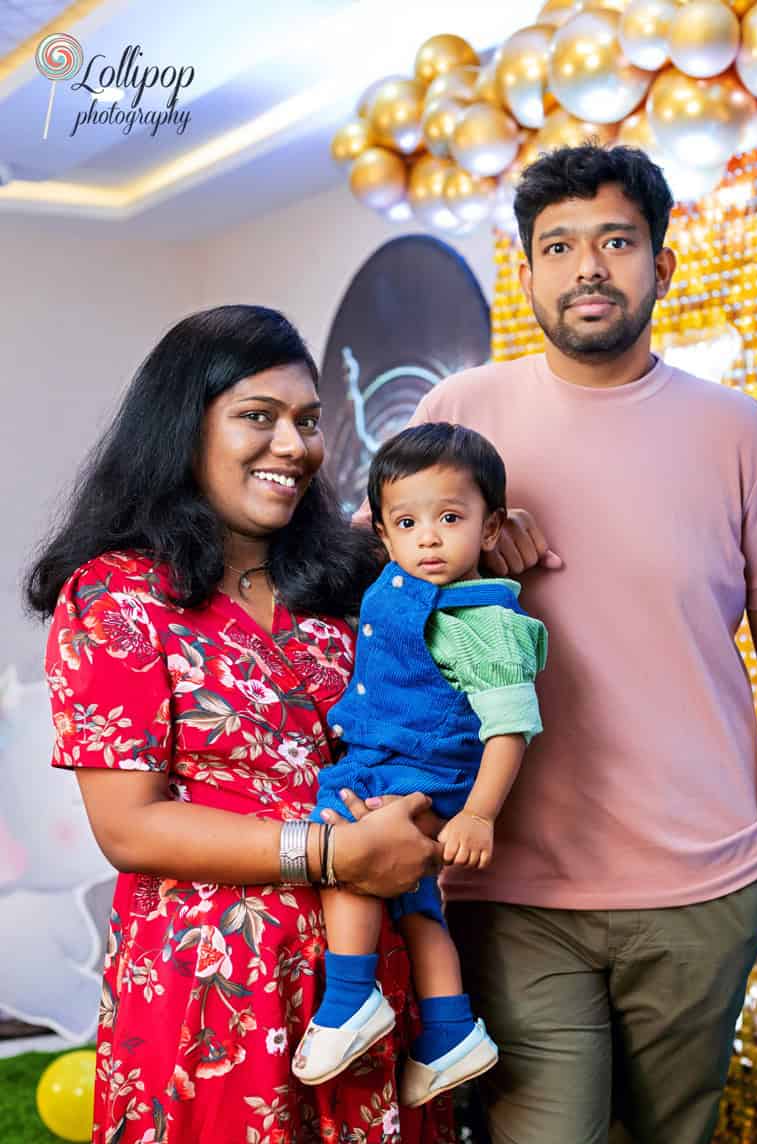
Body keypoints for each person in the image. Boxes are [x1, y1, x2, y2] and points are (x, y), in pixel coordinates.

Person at [352, 145, 757, 1144]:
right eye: (558, 245)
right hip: (506, 879)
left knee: (674, 1133)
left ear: (661, 259)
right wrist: (478, 562)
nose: (588, 267)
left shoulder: (741, 433)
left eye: (616, 240)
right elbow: (370, 608)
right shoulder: (460, 414)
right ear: (526, 269)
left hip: (700, 885)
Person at [25, 305, 455, 1144]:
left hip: (364, 983)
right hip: (208, 996)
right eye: (257, 417)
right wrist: (331, 853)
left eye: (306, 421)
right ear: (184, 429)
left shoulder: (355, 583)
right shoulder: (118, 597)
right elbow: (130, 826)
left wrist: (497, 534)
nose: (293, 446)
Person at [293, 424, 547, 1111]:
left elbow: (510, 728)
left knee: (344, 852)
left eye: (452, 519)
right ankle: (449, 1030)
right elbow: (373, 515)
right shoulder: (395, 575)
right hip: (395, 757)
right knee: (416, 903)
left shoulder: (484, 623)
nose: (429, 539)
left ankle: (349, 1000)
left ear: (491, 527)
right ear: (383, 533)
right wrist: (385, 518)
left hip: (415, 772)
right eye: (408, 524)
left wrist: (479, 813)